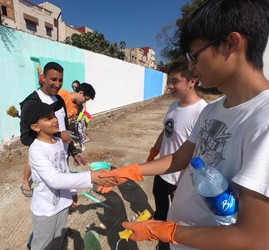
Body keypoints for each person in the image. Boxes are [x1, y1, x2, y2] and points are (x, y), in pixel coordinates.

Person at [99, 0, 269, 249]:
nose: (191, 66)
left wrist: (167, 231)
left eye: (194, 55)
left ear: (231, 43)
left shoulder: (263, 121)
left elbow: (255, 238)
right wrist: (131, 171)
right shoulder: (213, 110)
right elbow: (180, 159)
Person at [22, 101, 116, 250]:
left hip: (62, 204)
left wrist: (71, 192)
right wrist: (90, 177)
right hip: (46, 209)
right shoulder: (36, 150)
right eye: (48, 118)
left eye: (54, 116)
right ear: (35, 127)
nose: (55, 120)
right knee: (42, 245)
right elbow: (54, 179)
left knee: (58, 241)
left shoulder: (59, 141)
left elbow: (64, 169)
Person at [146, 58, 207, 250]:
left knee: (179, 219)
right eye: (169, 81)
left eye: (175, 81)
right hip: (162, 173)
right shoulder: (174, 105)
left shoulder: (202, 111)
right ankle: (161, 244)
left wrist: (184, 182)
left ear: (192, 81)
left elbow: (200, 152)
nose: (170, 86)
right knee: (161, 213)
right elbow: (166, 132)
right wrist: (153, 154)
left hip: (180, 179)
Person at [20, 62, 85, 197]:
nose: (58, 84)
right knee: (49, 195)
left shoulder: (59, 100)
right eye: (53, 79)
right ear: (43, 77)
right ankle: (25, 182)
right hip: (45, 157)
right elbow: (26, 138)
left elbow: (64, 127)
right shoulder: (31, 103)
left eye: (60, 80)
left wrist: (73, 151)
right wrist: (58, 135)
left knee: (63, 194)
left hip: (62, 154)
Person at [58, 83, 95, 147]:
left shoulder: (75, 109)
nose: (84, 102)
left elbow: (65, 125)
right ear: (80, 93)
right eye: (85, 99)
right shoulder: (62, 94)